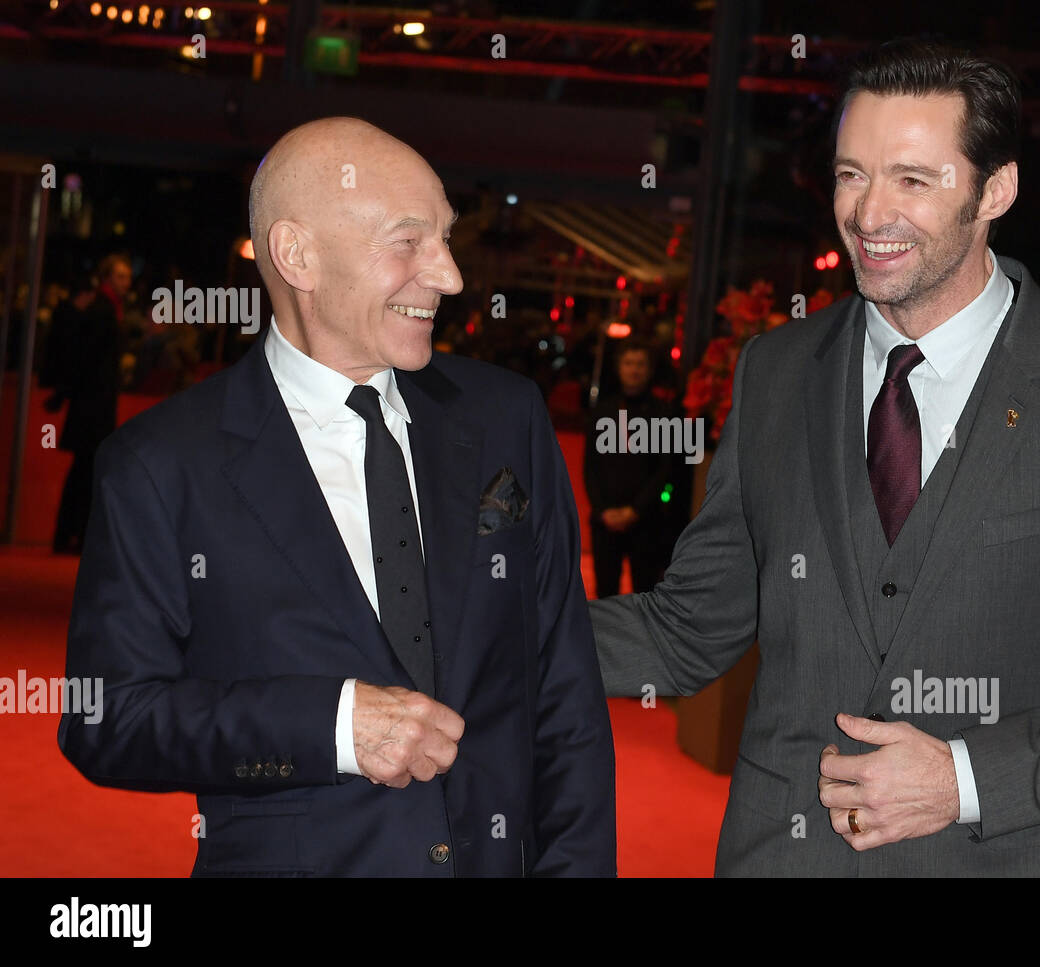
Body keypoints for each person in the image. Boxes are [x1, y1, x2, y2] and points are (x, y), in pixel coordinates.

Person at [589, 39, 1040, 876]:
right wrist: (479, 625)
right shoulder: (777, 371)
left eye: (912, 179)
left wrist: (965, 780)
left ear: (995, 190)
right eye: (850, 174)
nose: (869, 214)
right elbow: (689, 629)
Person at [58, 117, 615, 876]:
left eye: (446, 239)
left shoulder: (505, 418)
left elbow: (566, 695)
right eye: (409, 241)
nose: (449, 275)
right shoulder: (161, 464)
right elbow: (106, 717)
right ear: (298, 255)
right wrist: (334, 725)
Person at [45, 256, 130, 554]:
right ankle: (72, 534)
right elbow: (88, 357)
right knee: (86, 469)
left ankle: (70, 533)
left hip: (92, 402)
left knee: (85, 468)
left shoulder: (105, 309)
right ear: (107, 278)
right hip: (92, 403)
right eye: (120, 276)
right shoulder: (103, 311)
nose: (126, 281)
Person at [584, 338, 674, 597]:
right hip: (605, 520)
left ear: (649, 369)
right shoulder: (603, 411)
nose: (634, 369)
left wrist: (635, 510)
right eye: (628, 363)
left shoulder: (663, 413)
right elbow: (590, 467)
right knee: (605, 595)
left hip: (646, 520)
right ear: (619, 367)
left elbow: (665, 469)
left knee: (645, 594)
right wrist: (602, 511)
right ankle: (604, 639)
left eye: (640, 364)